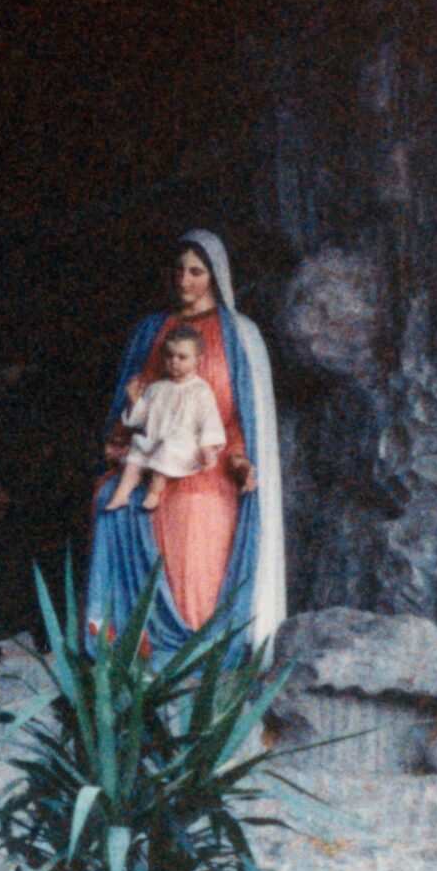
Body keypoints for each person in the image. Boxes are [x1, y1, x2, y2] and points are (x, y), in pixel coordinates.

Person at [85, 231, 286, 655]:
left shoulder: (239, 335)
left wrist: (240, 460)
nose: (185, 280)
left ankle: (191, 645)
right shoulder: (151, 330)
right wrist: (119, 441)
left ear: (215, 276)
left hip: (209, 462)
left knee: (196, 507)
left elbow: (242, 417)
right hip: (152, 452)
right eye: (179, 270)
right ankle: (125, 638)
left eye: (196, 271)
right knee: (109, 496)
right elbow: (134, 399)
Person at [104, 326, 224, 513]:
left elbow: (209, 420)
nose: (174, 362)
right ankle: (122, 493)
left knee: (168, 446)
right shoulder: (157, 388)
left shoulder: (201, 391)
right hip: (156, 441)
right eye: (169, 355)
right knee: (137, 448)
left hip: (184, 448)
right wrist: (134, 401)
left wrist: (207, 448)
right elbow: (142, 419)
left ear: (198, 360)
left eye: (182, 357)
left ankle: (154, 491)